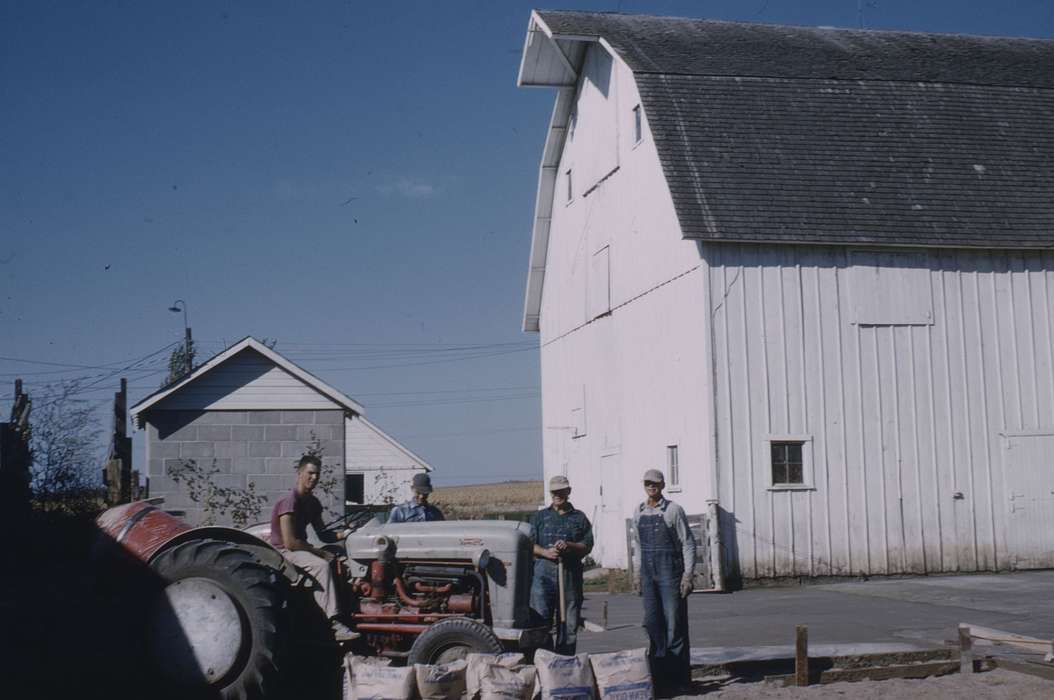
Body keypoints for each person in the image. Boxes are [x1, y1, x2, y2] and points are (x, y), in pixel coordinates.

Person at [269, 454, 358, 640]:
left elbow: (323, 534)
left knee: (344, 557)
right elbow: (290, 542)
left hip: (301, 548)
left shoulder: (313, 503)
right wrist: (319, 552)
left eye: (317, 474)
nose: (314, 478)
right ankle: (334, 624)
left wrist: (346, 533)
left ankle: (351, 607)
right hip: (283, 552)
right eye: (310, 473)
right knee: (321, 565)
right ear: (300, 473)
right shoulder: (289, 502)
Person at [632, 468, 696, 694]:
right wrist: (637, 574)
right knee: (652, 624)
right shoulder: (638, 512)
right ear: (644, 485)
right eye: (648, 483)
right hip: (649, 576)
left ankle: (680, 680)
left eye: (656, 483)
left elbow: (688, 542)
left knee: (674, 626)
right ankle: (660, 678)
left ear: (663, 485)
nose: (652, 487)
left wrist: (688, 575)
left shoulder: (673, 510)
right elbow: (638, 546)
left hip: (671, 573)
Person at [529, 475, 593, 655]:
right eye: (554, 492)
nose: (557, 495)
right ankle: (544, 663)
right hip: (543, 574)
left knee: (569, 624)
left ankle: (565, 664)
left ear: (568, 491)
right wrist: (545, 552)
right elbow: (529, 544)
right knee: (540, 622)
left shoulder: (579, 518)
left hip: (570, 574)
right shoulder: (540, 517)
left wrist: (569, 546)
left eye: (561, 491)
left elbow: (586, 545)